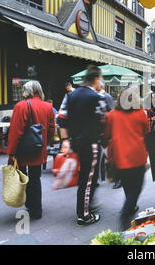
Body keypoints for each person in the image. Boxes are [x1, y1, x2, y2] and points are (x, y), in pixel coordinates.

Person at [58, 65, 110, 226]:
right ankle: (84, 215)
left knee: (84, 178)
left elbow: (61, 119)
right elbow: (106, 119)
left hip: (76, 142)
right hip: (91, 142)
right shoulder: (96, 97)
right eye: (100, 79)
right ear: (96, 79)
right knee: (88, 179)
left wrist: (65, 141)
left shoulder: (71, 95)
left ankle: (85, 209)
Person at [103, 86, 150, 230]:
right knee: (137, 186)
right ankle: (125, 212)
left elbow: (107, 135)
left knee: (128, 184)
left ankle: (130, 207)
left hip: (119, 157)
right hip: (137, 156)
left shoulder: (111, 115)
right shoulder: (141, 113)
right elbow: (147, 133)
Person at [7, 81, 55, 220]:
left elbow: (16, 131)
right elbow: (51, 129)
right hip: (38, 147)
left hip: (22, 148)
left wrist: (12, 152)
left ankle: (28, 202)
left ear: (27, 91)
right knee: (35, 178)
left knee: (23, 175)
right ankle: (36, 210)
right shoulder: (48, 106)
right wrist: (45, 142)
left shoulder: (21, 106)